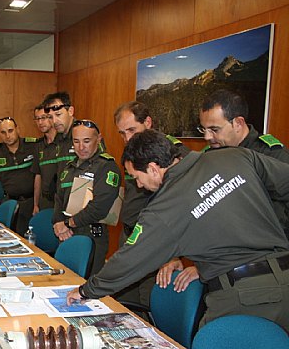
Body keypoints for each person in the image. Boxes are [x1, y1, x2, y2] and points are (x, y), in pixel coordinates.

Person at [67, 130, 289, 332]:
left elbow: (130, 259)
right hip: (285, 277)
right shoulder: (234, 156)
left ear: (153, 168)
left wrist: (87, 291)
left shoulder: (164, 208)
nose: (140, 186)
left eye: (137, 178)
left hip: (242, 298)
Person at [113, 101, 192, 304]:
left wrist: (174, 255)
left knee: (149, 303)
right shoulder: (132, 152)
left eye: (131, 130)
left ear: (148, 122)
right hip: (130, 235)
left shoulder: (173, 154)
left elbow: (183, 211)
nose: (127, 138)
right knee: (123, 302)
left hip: (156, 244)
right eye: (122, 133)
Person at [199, 89, 289, 238]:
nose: (207, 136)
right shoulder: (209, 155)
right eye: (203, 129)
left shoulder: (271, 155)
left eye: (214, 129)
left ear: (238, 123)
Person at [52, 119, 120, 276]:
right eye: (76, 141)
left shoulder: (106, 166)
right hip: (65, 234)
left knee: (85, 288)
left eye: (87, 141)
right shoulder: (69, 167)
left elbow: (99, 208)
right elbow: (59, 199)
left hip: (91, 236)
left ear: (99, 139)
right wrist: (57, 223)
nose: (81, 147)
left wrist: (68, 224)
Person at [0, 116, 36, 235]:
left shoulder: (33, 146)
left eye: (10, 131)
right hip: (10, 203)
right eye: (3, 132)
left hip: (32, 203)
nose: (7, 136)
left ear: (17, 129)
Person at [31, 104, 62, 214]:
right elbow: (38, 176)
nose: (40, 122)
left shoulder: (64, 141)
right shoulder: (38, 146)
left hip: (62, 201)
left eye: (43, 118)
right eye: (37, 119)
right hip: (45, 202)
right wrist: (35, 204)